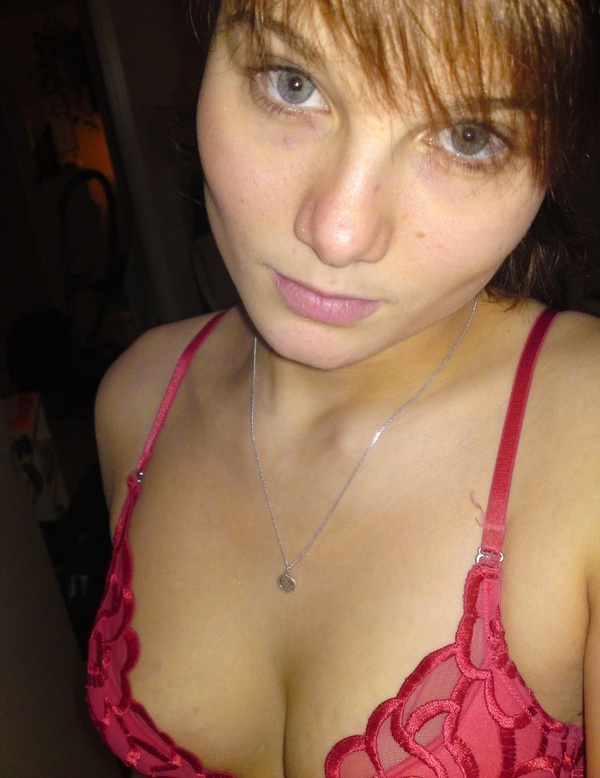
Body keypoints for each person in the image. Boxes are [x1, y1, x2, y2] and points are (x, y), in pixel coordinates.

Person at [86, 0, 600, 774]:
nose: (338, 232)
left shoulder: (587, 441)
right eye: (292, 83)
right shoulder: (135, 403)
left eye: (468, 136)